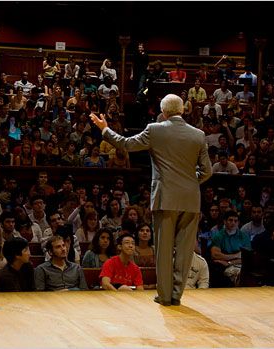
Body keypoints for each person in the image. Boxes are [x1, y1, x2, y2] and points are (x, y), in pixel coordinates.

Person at [91, 93, 212, 306]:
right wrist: (191, 183)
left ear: (163, 112)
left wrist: (104, 129)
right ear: (182, 110)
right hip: (191, 199)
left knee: (164, 250)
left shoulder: (155, 129)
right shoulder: (199, 134)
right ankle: (176, 295)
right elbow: (207, 171)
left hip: (166, 198)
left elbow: (125, 144)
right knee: (184, 252)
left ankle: (164, 296)